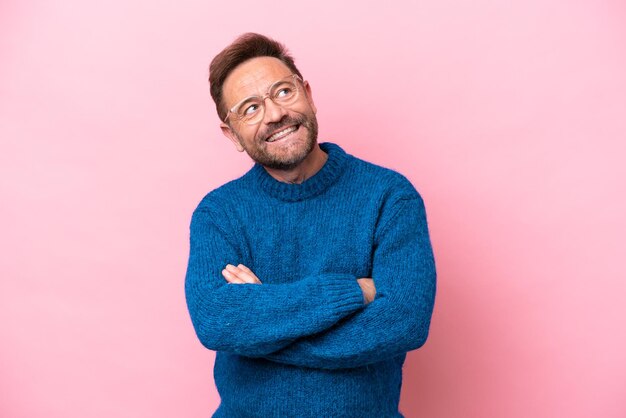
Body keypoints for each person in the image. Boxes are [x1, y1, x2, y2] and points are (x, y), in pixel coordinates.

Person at [185, 32, 437, 417]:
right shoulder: (218, 213)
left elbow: (405, 321)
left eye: (283, 92)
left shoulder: (390, 196)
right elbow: (216, 321)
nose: (274, 114)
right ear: (231, 134)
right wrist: (352, 291)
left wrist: (262, 325)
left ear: (308, 94)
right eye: (250, 108)